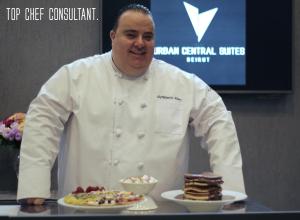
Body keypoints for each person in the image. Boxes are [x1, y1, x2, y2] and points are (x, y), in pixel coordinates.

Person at [17, 4, 245, 205]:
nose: (140, 43)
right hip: (86, 209)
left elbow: (218, 120)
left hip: (159, 211)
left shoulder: (181, 82)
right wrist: (33, 185)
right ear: (113, 36)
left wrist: (232, 192)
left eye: (148, 36)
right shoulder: (77, 75)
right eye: (131, 34)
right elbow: (42, 118)